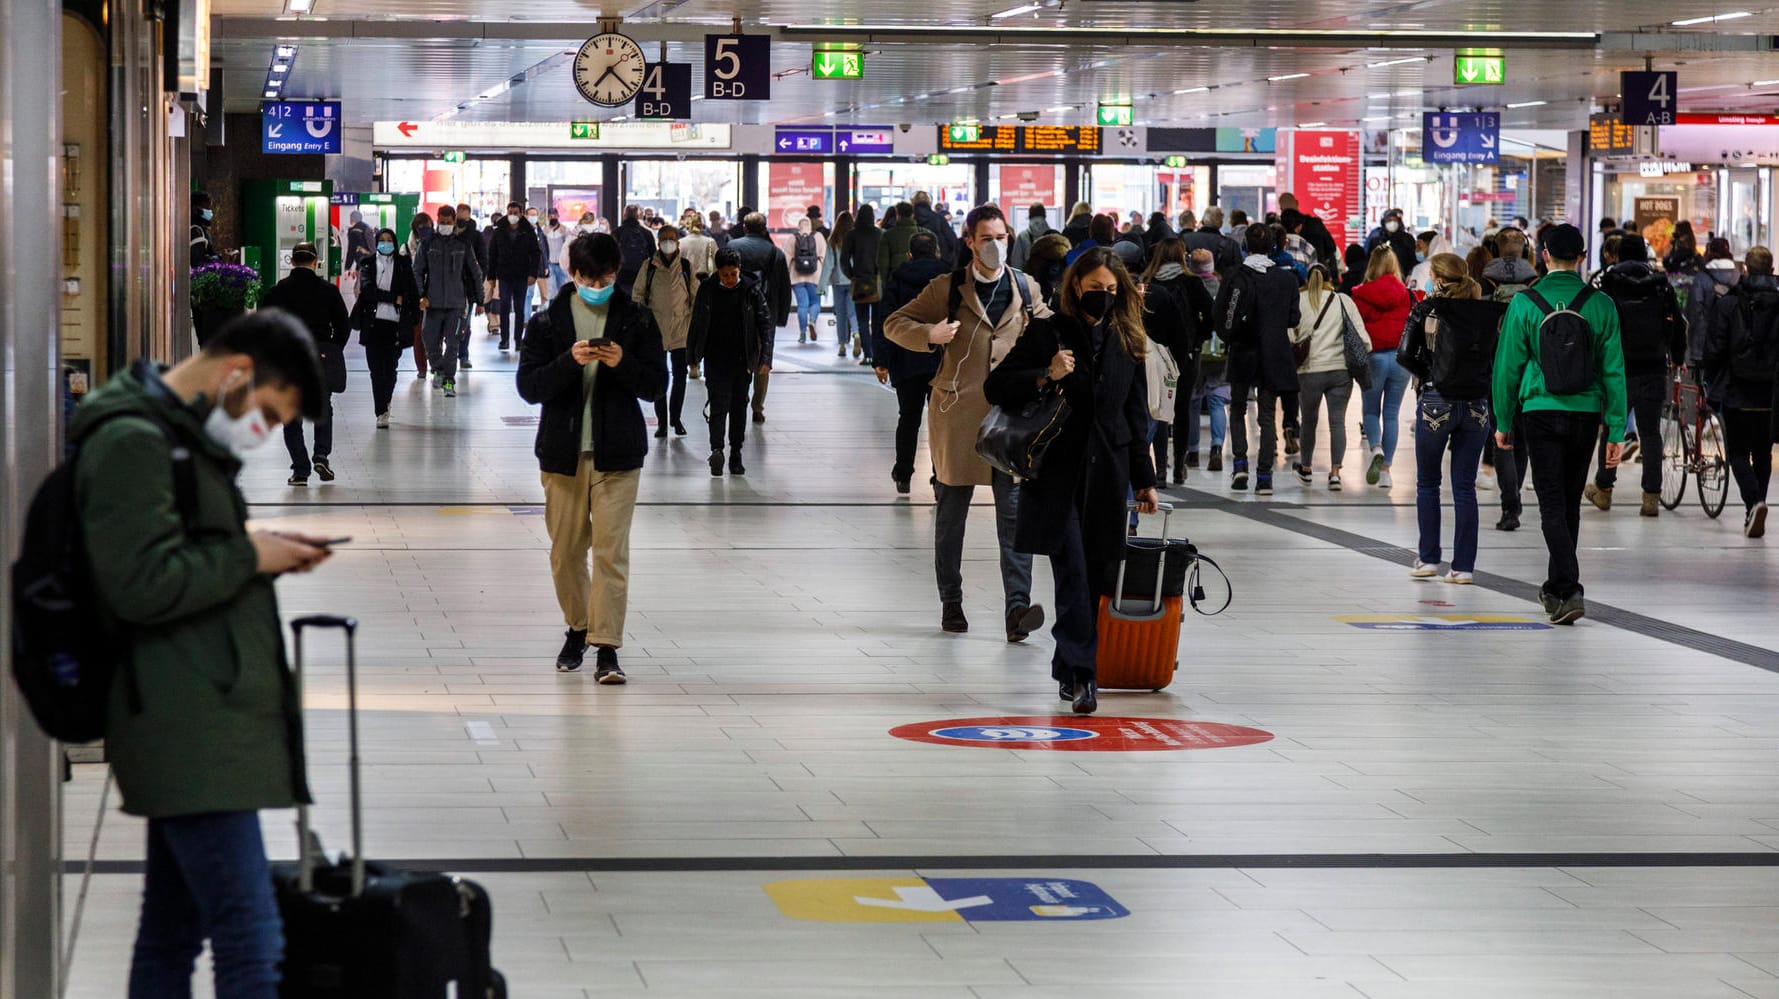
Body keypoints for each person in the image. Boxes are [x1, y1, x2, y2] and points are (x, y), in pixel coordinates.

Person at [75, 311, 330, 999]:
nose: (266, 434)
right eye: (271, 417)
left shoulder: (171, 435)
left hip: (194, 706)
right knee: (251, 934)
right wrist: (249, 553)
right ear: (238, 373)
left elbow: (176, 555)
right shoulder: (133, 440)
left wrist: (255, 553)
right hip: (181, 718)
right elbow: (138, 583)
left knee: (171, 930)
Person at [983, 247, 1160, 715]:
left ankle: (1069, 666)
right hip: (1059, 473)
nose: (1102, 296)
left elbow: (1134, 414)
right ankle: (1085, 675)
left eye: (1110, 290)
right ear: (1074, 286)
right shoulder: (1048, 331)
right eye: (1094, 288)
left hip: (1110, 474)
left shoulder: (1127, 339)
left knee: (1099, 576)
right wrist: (1046, 374)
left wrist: (1144, 481)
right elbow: (996, 386)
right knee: (1074, 570)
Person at [886, 204, 1050, 641]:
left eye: (1002, 237)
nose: (996, 245)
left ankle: (1017, 609)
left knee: (1013, 518)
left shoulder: (1025, 287)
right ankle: (951, 601)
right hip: (957, 415)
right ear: (970, 242)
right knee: (951, 514)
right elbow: (894, 323)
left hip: (1012, 419)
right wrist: (928, 335)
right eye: (987, 238)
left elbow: (1052, 331)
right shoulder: (947, 288)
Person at [517, 232, 667, 680]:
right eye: (587, 276)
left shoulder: (636, 320)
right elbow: (529, 388)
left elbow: (656, 386)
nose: (596, 283)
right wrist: (569, 361)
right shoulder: (547, 321)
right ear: (572, 273)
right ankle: (579, 627)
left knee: (610, 553)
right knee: (565, 554)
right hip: (562, 453)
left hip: (618, 454)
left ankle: (606, 646)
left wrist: (623, 363)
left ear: (616, 272)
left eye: (604, 276)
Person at [1491, 223, 1627, 625]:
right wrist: (1615, 430)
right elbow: (1615, 371)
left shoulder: (1525, 303)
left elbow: (1506, 369)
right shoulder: (1600, 304)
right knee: (1569, 501)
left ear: (1544, 255)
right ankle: (1557, 588)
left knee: (1550, 501)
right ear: (1583, 257)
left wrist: (1502, 420)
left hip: (1539, 410)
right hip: (1586, 412)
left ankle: (1569, 586)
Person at [1396, 253, 1503, 583]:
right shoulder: (1486, 312)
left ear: (1439, 279)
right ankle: (1463, 567)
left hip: (1435, 402)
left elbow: (1404, 353)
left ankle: (1429, 559)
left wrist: (1429, 375)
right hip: (1475, 406)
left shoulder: (1426, 310)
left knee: (1428, 483)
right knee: (1464, 488)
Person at [1583, 234, 1685, 517]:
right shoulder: (1660, 284)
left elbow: (1594, 323)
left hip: (1617, 369)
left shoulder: (1607, 282)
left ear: (1617, 255)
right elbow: (1676, 322)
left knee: (1612, 428)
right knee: (1650, 433)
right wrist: (1677, 357)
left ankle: (1604, 490)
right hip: (1654, 368)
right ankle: (1650, 497)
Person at [1216, 224, 1302, 495]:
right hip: (1273, 353)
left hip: (1242, 352)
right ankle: (1264, 476)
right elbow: (1293, 318)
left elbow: (1221, 315)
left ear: (1245, 245)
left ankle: (1240, 463)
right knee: (1267, 415)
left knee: (1238, 409)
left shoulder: (1235, 276)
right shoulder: (1286, 280)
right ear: (1274, 246)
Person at [1703, 245, 1777, 538]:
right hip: (1772, 392)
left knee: (1737, 452)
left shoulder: (1729, 303)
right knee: (1762, 452)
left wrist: (1711, 379)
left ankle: (1753, 502)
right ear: (1771, 270)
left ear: (1744, 269)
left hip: (1737, 389)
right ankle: (1756, 505)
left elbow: (1715, 348)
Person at [261, 242, 348, 486]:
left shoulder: (277, 292)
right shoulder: (328, 290)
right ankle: (321, 455)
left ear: (291, 262)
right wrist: (331, 348)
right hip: (319, 354)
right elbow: (343, 326)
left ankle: (300, 470)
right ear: (316, 261)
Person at [872, 232, 951, 494]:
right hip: (942, 360)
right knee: (940, 421)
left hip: (905, 358)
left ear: (909, 254)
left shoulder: (897, 279)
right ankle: (940, 476)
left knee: (908, 417)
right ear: (936, 252)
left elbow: (884, 319)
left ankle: (903, 473)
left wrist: (881, 360)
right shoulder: (949, 278)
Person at [686, 248, 775, 478]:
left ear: (739, 270)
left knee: (738, 408)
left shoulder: (750, 289)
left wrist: (765, 358)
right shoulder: (707, 289)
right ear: (718, 271)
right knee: (718, 407)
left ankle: (736, 452)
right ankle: (717, 450)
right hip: (715, 359)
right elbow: (697, 322)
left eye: (733, 274)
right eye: (725, 275)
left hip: (742, 359)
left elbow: (765, 324)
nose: (729, 279)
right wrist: (692, 356)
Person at [1141, 238, 1213, 485]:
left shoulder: (1149, 282)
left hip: (1154, 354)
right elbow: (1210, 313)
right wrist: (1198, 337)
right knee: (1181, 409)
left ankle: (1160, 468)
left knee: (1159, 409)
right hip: (1185, 354)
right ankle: (1179, 465)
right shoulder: (1191, 282)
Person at [1289, 264, 1362, 490]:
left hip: (1310, 371)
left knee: (1309, 421)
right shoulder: (1343, 301)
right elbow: (1361, 335)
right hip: (1340, 370)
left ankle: (1307, 468)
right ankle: (1335, 473)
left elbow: (1290, 333)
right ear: (1331, 279)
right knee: (1337, 421)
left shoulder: (1300, 302)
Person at [1352, 245, 1415, 488]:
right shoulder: (1405, 294)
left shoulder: (1360, 294)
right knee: (1391, 414)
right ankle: (1386, 471)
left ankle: (1375, 447)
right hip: (1400, 360)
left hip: (1373, 358)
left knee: (1370, 411)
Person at [348, 228, 418, 430]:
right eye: (382, 240)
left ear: (394, 243)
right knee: (376, 371)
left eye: (389, 240)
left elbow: (411, 291)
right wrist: (391, 297)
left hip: (395, 325)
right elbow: (368, 290)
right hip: (373, 325)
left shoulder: (404, 263)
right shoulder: (368, 263)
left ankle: (386, 400)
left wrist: (412, 315)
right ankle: (380, 411)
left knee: (390, 370)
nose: (385, 243)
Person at [414, 204, 484, 399]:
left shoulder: (462, 245)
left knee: (453, 344)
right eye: (441, 222)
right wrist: (421, 295)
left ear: (454, 222)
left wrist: (480, 300)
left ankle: (448, 381)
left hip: (456, 304)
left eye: (448, 222)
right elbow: (417, 270)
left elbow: (475, 273)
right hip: (432, 303)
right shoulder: (428, 243)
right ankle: (437, 368)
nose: (444, 225)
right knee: (429, 340)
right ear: (437, 220)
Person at [729, 212, 793, 417]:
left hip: (736, 311)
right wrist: (781, 316)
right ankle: (758, 407)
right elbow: (784, 288)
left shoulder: (732, 248)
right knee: (764, 358)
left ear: (745, 228)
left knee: (738, 355)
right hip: (767, 312)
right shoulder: (776, 253)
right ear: (764, 228)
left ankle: (740, 398)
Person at [638, 224, 697, 440]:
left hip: (681, 329)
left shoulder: (685, 266)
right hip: (657, 330)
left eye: (671, 238)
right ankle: (662, 422)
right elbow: (638, 294)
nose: (668, 242)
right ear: (658, 242)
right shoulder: (649, 266)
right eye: (664, 239)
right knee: (659, 376)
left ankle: (676, 418)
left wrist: (694, 323)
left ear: (678, 242)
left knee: (680, 376)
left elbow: (694, 295)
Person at [1178, 248, 1230, 478]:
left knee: (1193, 402)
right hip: (1219, 352)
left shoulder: (1188, 288)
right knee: (1217, 400)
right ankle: (1217, 447)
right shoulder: (1223, 289)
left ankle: (1192, 451)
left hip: (1197, 350)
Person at [486, 201, 541, 352]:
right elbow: (492, 254)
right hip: (504, 275)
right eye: (510, 212)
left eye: (516, 213)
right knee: (503, 307)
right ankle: (504, 340)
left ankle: (518, 340)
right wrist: (491, 275)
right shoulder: (499, 231)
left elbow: (536, 253)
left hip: (522, 274)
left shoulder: (527, 231)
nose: (513, 216)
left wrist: (533, 273)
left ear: (521, 214)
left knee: (519, 308)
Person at [1686, 238, 1741, 369]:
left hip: (1705, 342)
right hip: (1734, 342)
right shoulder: (1738, 276)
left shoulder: (1702, 277)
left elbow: (1694, 309)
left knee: (1705, 382)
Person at [454, 203, 488, 369]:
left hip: (468, 287)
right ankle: (451, 355)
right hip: (451, 286)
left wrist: (478, 287)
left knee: (465, 324)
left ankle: (463, 355)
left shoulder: (475, 236)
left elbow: (482, 261)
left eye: (463, 215)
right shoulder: (449, 233)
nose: (460, 218)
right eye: (458, 214)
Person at [820, 210, 856, 359]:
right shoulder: (856, 238)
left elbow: (828, 264)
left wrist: (821, 286)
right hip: (853, 280)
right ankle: (857, 334)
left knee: (840, 314)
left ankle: (842, 345)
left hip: (838, 281)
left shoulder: (833, 239)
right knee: (853, 312)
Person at [404, 212, 435, 381]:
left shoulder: (438, 244)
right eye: (421, 228)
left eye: (427, 227)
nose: (425, 231)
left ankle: (437, 364)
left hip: (436, 294)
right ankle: (421, 367)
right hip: (415, 296)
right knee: (418, 334)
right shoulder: (407, 248)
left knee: (437, 332)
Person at [789, 216, 827, 344]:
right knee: (815, 302)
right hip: (815, 276)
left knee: (802, 305)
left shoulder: (792, 238)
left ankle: (803, 333)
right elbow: (824, 257)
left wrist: (786, 277)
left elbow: (786, 259)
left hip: (797, 277)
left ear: (799, 226)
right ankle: (812, 321)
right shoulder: (819, 237)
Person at [1279, 192, 1337, 266]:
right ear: (1297, 203)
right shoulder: (1315, 223)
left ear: (1281, 209)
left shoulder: (1279, 230)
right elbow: (1331, 247)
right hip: (1317, 272)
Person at [613, 204, 656, 296]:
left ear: (624, 216)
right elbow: (654, 256)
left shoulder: (617, 232)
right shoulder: (646, 233)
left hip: (621, 274)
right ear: (639, 216)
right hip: (641, 273)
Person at [1183, 206, 1241, 273]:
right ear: (1221, 223)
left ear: (1203, 220)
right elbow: (1237, 272)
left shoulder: (1186, 239)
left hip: (1191, 282)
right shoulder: (1231, 245)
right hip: (1221, 282)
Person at [1366, 208, 1418, 278]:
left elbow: (1413, 259)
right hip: (1379, 277)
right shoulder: (1376, 238)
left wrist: (1410, 274)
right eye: (1389, 220)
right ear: (1383, 222)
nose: (1392, 223)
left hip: (1402, 277)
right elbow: (1369, 259)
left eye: (1395, 220)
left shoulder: (1407, 239)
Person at [911, 191, 960, 265]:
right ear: (929, 202)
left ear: (913, 202)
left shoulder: (910, 220)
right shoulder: (938, 219)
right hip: (938, 263)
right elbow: (952, 241)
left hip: (913, 265)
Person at [1011, 203, 1051, 272]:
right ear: (1045, 216)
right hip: (1049, 280)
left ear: (1029, 216)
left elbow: (1016, 263)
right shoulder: (1053, 236)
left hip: (1028, 280)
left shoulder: (1022, 236)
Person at [680, 213, 718, 280]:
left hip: (686, 281)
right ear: (701, 225)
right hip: (706, 281)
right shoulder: (710, 242)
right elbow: (717, 262)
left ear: (687, 226)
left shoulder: (680, 243)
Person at [543, 211, 571, 296]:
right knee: (551, 290)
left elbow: (569, 246)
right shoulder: (545, 230)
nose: (552, 217)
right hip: (550, 264)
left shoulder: (565, 230)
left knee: (563, 288)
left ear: (558, 216)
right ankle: (552, 307)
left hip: (562, 265)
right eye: (550, 216)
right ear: (548, 217)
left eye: (554, 215)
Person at [189, 191, 219, 266]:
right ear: (196, 209)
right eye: (207, 207)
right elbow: (198, 262)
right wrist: (221, 259)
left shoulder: (201, 229)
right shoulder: (196, 231)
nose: (210, 211)